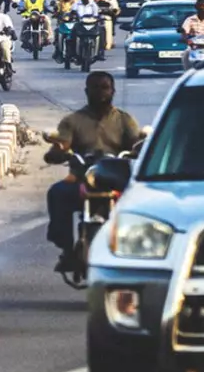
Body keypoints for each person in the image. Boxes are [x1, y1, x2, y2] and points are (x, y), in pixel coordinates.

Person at [43, 71, 144, 271]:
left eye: (105, 88)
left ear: (113, 91)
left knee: (145, 201)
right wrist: (59, 152)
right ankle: (67, 250)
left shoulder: (125, 120)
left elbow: (137, 145)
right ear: (86, 91)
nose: (100, 92)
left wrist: (141, 150)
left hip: (117, 181)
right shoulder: (72, 120)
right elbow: (62, 144)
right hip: (81, 180)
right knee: (57, 193)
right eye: (95, 88)